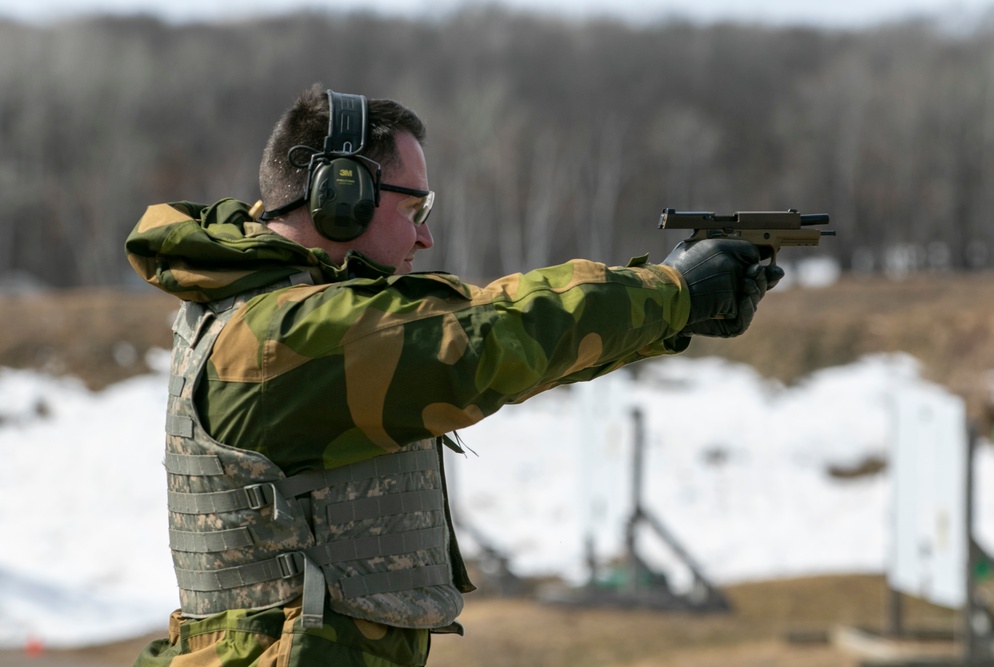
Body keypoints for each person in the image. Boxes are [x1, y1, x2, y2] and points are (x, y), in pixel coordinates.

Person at [124, 83, 783, 666]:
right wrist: (669, 294)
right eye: (414, 210)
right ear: (342, 197)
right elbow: (484, 338)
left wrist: (666, 309)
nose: (424, 239)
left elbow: (507, 349)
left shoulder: (271, 314)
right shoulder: (283, 337)